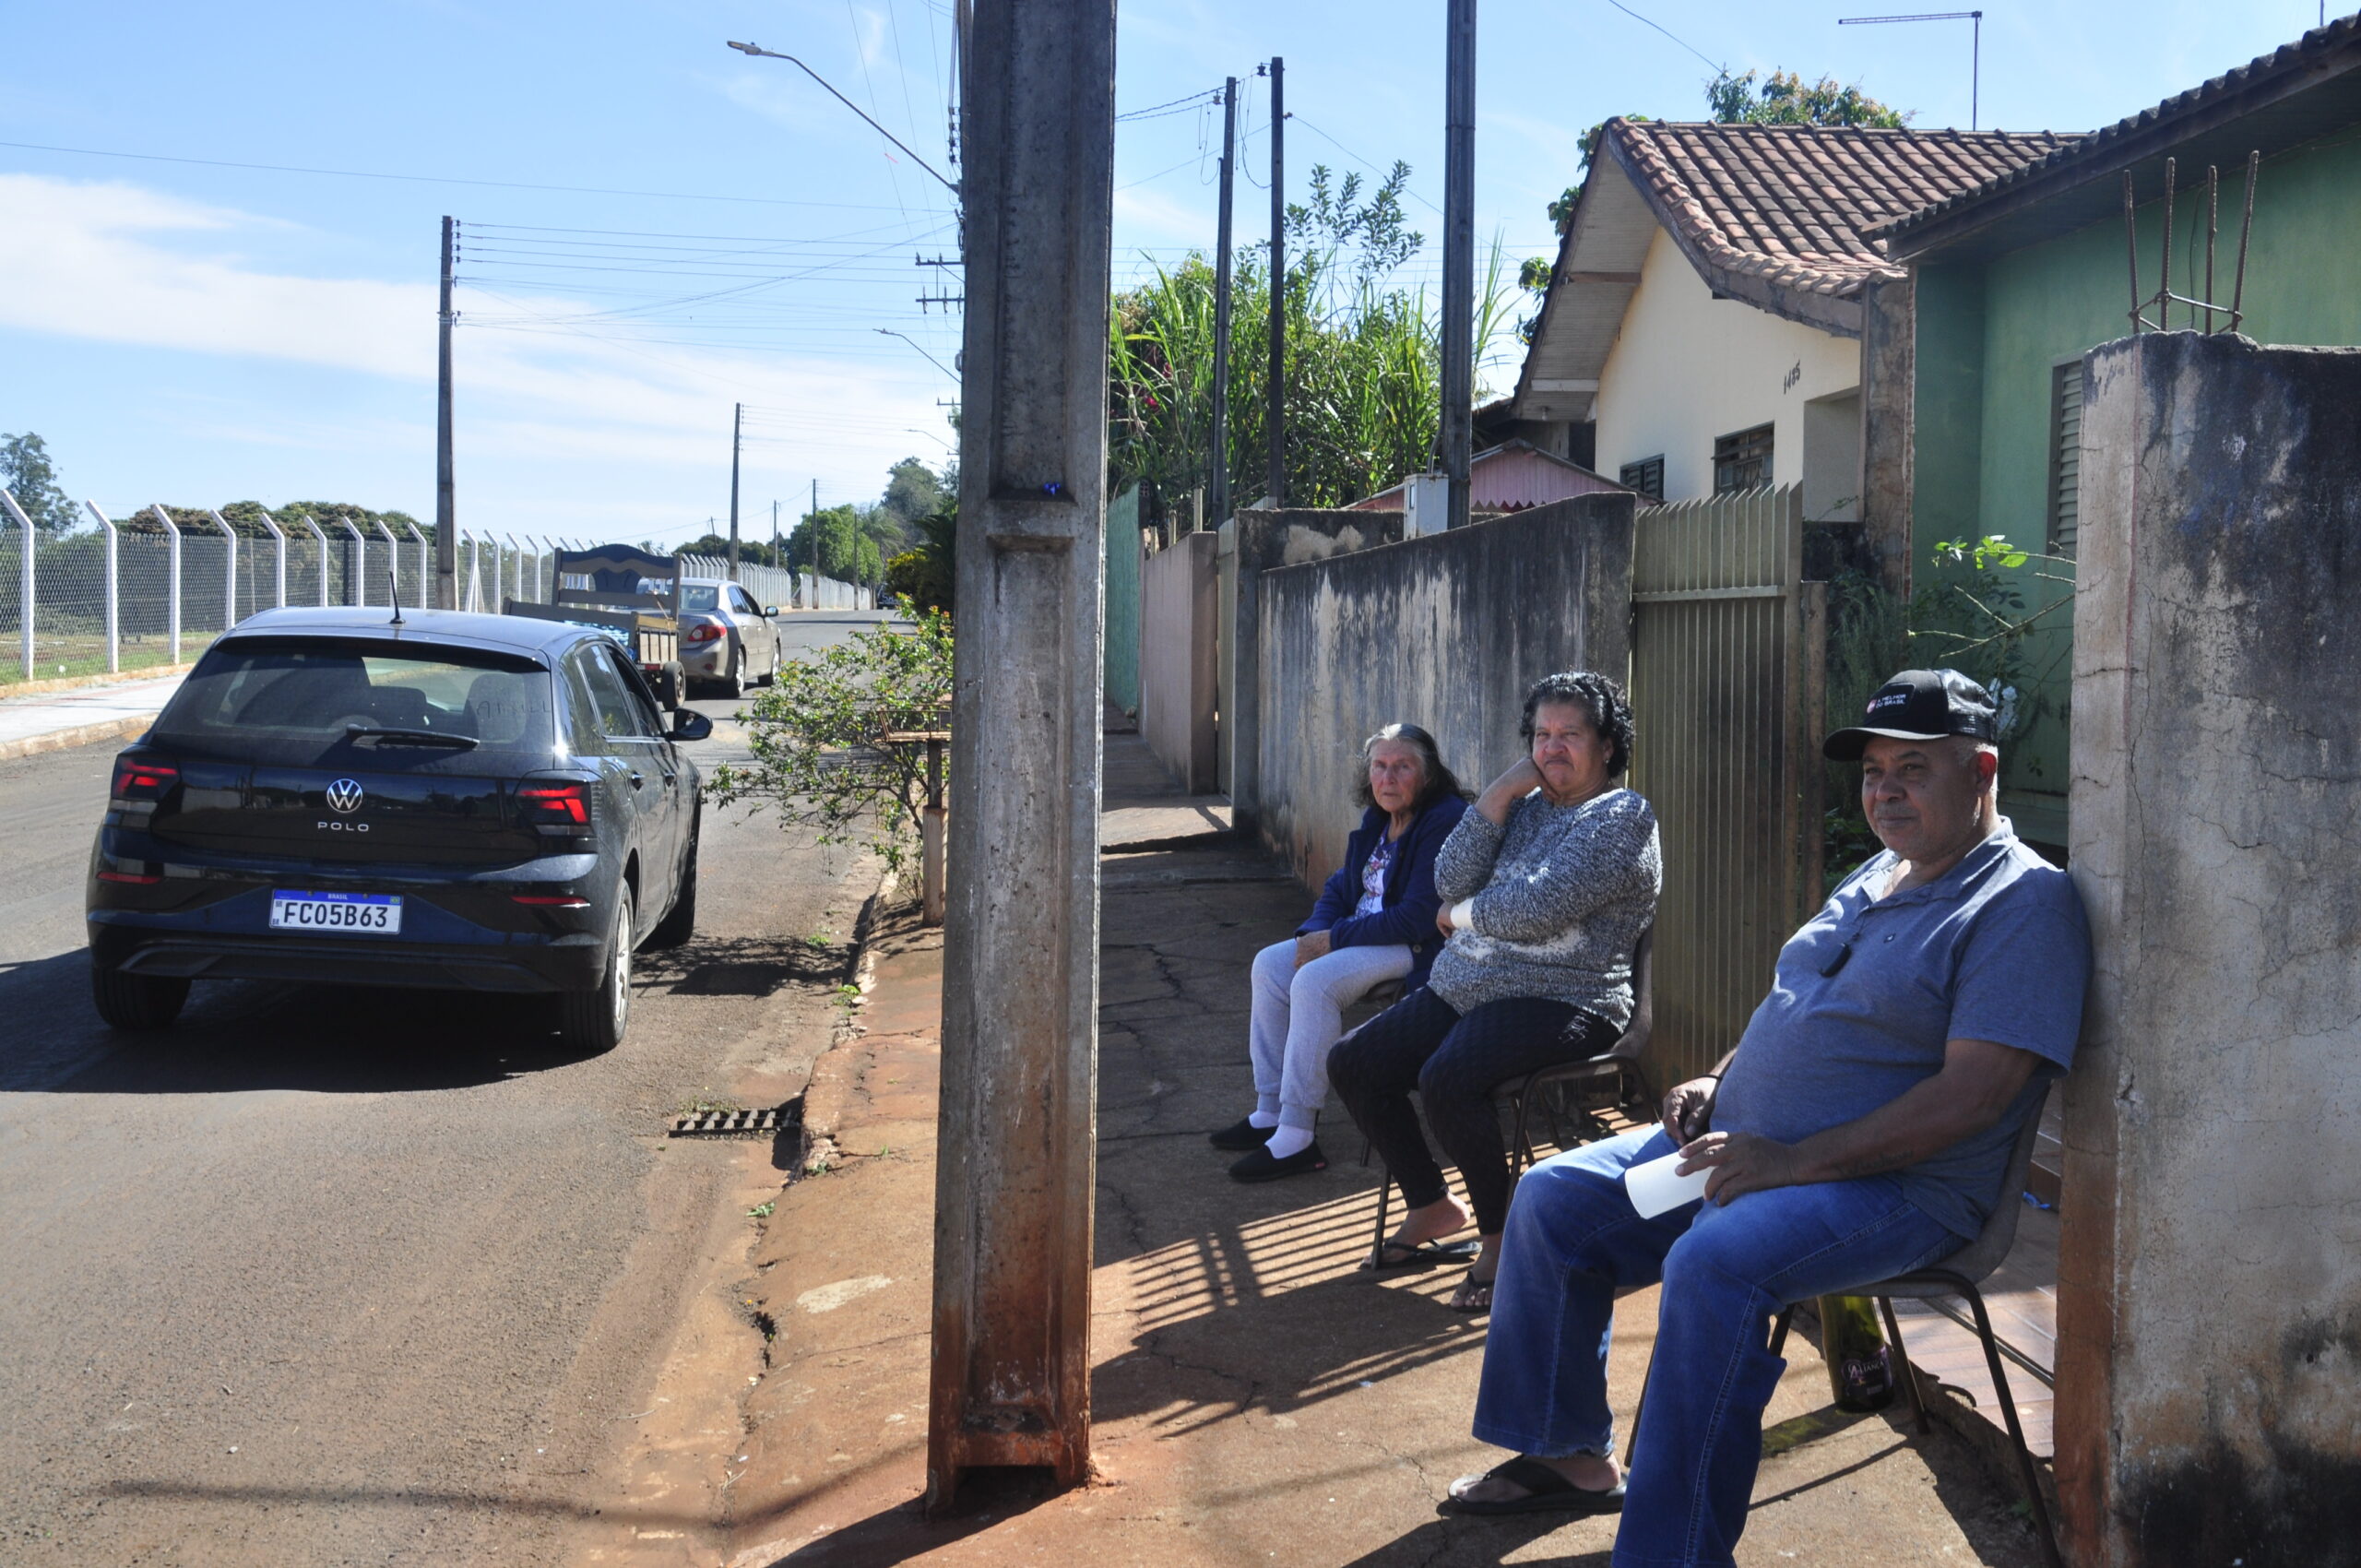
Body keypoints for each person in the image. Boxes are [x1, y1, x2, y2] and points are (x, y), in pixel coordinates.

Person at [1439, 669, 2094, 1568]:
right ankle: (1565, 1452)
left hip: (1898, 1188)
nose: (1884, 789)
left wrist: (1793, 1158)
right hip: (1750, 1148)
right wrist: (1716, 1079)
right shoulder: (1880, 869)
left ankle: (1670, 1553)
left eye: (1912, 768)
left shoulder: (2023, 903)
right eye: (1871, 770)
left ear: (1980, 769)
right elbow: (1794, 1005)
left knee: (1716, 1260)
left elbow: (1970, 1097)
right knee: (1553, 1197)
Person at [1327, 671, 1660, 1313]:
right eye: (1541, 735)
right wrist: (1504, 791)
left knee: (1449, 1077)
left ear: (1609, 746)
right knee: (1354, 1062)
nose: (1552, 748)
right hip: (1470, 985)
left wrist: (1461, 917)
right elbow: (1447, 875)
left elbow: (1541, 907)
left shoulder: (1623, 818)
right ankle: (1430, 1205)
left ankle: (1503, 1239)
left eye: (1570, 735)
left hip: (1567, 996)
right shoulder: (1526, 808)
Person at [1209, 723, 1469, 1182]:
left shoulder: (1444, 820)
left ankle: (1297, 1135)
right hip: (1363, 936)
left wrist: (1330, 941)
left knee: (1315, 981)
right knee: (1271, 965)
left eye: (1402, 767)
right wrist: (1312, 932)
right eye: (1379, 766)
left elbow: (1419, 916)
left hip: (1414, 947)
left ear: (1427, 775)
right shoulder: (1378, 820)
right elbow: (1339, 887)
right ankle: (1270, 1110)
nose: (1388, 778)